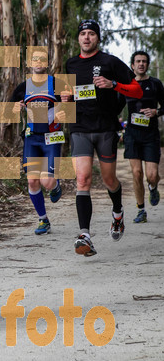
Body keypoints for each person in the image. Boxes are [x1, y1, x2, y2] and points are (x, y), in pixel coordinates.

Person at [62, 20, 143, 257]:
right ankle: (84, 235)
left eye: (91, 34)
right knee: (83, 179)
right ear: (78, 38)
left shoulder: (110, 62)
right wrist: (64, 99)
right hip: (79, 128)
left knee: (109, 180)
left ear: (97, 38)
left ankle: (118, 212)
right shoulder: (70, 64)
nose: (86, 38)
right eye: (83, 34)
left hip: (106, 128)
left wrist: (113, 84)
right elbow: (65, 95)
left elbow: (136, 91)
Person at [11, 49, 64, 235]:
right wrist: (15, 108)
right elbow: (9, 110)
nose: (38, 62)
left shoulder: (57, 84)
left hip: (52, 138)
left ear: (47, 63)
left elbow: (72, 108)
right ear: (30, 64)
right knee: (32, 181)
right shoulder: (23, 87)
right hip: (32, 138)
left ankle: (56, 185)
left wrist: (65, 103)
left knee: (47, 183)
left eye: (42, 59)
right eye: (35, 59)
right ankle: (43, 220)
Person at [118, 50, 164, 223]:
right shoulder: (126, 86)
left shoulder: (155, 84)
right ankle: (141, 210)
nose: (141, 64)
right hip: (132, 135)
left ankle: (153, 186)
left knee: (151, 175)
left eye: (144, 61)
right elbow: (115, 107)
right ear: (132, 65)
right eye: (138, 61)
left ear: (147, 64)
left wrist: (156, 111)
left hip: (150, 135)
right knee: (136, 173)